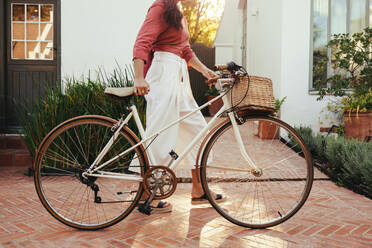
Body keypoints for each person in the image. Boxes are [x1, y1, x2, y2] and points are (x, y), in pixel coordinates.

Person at [132, 0, 223, 213]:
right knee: (159, 136)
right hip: (163, 77)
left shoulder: (177, 10)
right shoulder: (160, 7)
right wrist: (138, 77)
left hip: (179, 78)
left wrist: (205, 71)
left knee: (198, 132)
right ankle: (146, 194)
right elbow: (142, 42)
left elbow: (185, 50)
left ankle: (199, 189)